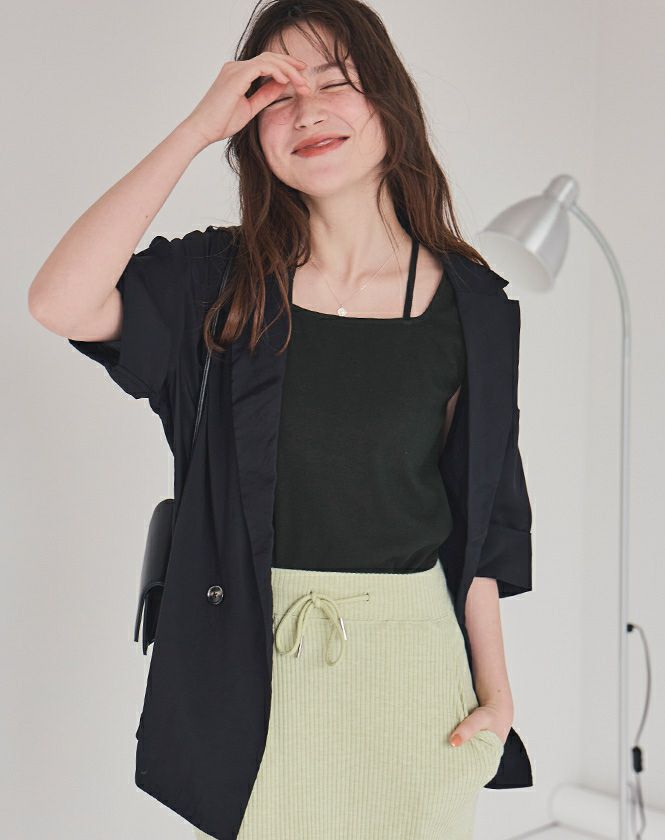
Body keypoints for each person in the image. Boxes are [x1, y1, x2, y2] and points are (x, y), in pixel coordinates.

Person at [28, 1, 534, 837]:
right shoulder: (217, 283)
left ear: (390, 104)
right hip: (256, 670)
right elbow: (59, 302)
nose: (307, 112)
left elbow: (485, 517)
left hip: (417, 676)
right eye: (277, 95)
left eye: (334, 83)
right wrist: (196, 129)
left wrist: (497, 693)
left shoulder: (473, 305)